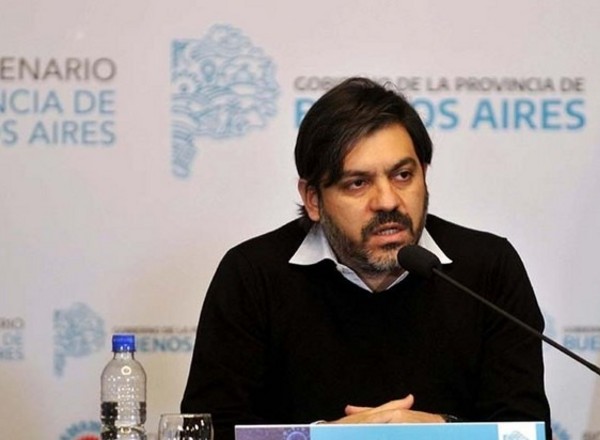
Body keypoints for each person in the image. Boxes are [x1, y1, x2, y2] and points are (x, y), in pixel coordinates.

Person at [181, 77, 551, 440]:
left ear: (424, 176)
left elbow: (525, 428)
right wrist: (323, 439)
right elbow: (209, 430)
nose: (388, 201)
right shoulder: (252, 275)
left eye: (403, 175)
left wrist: (441, 431)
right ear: (313, 199)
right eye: (358, 183)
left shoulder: (486, 269)